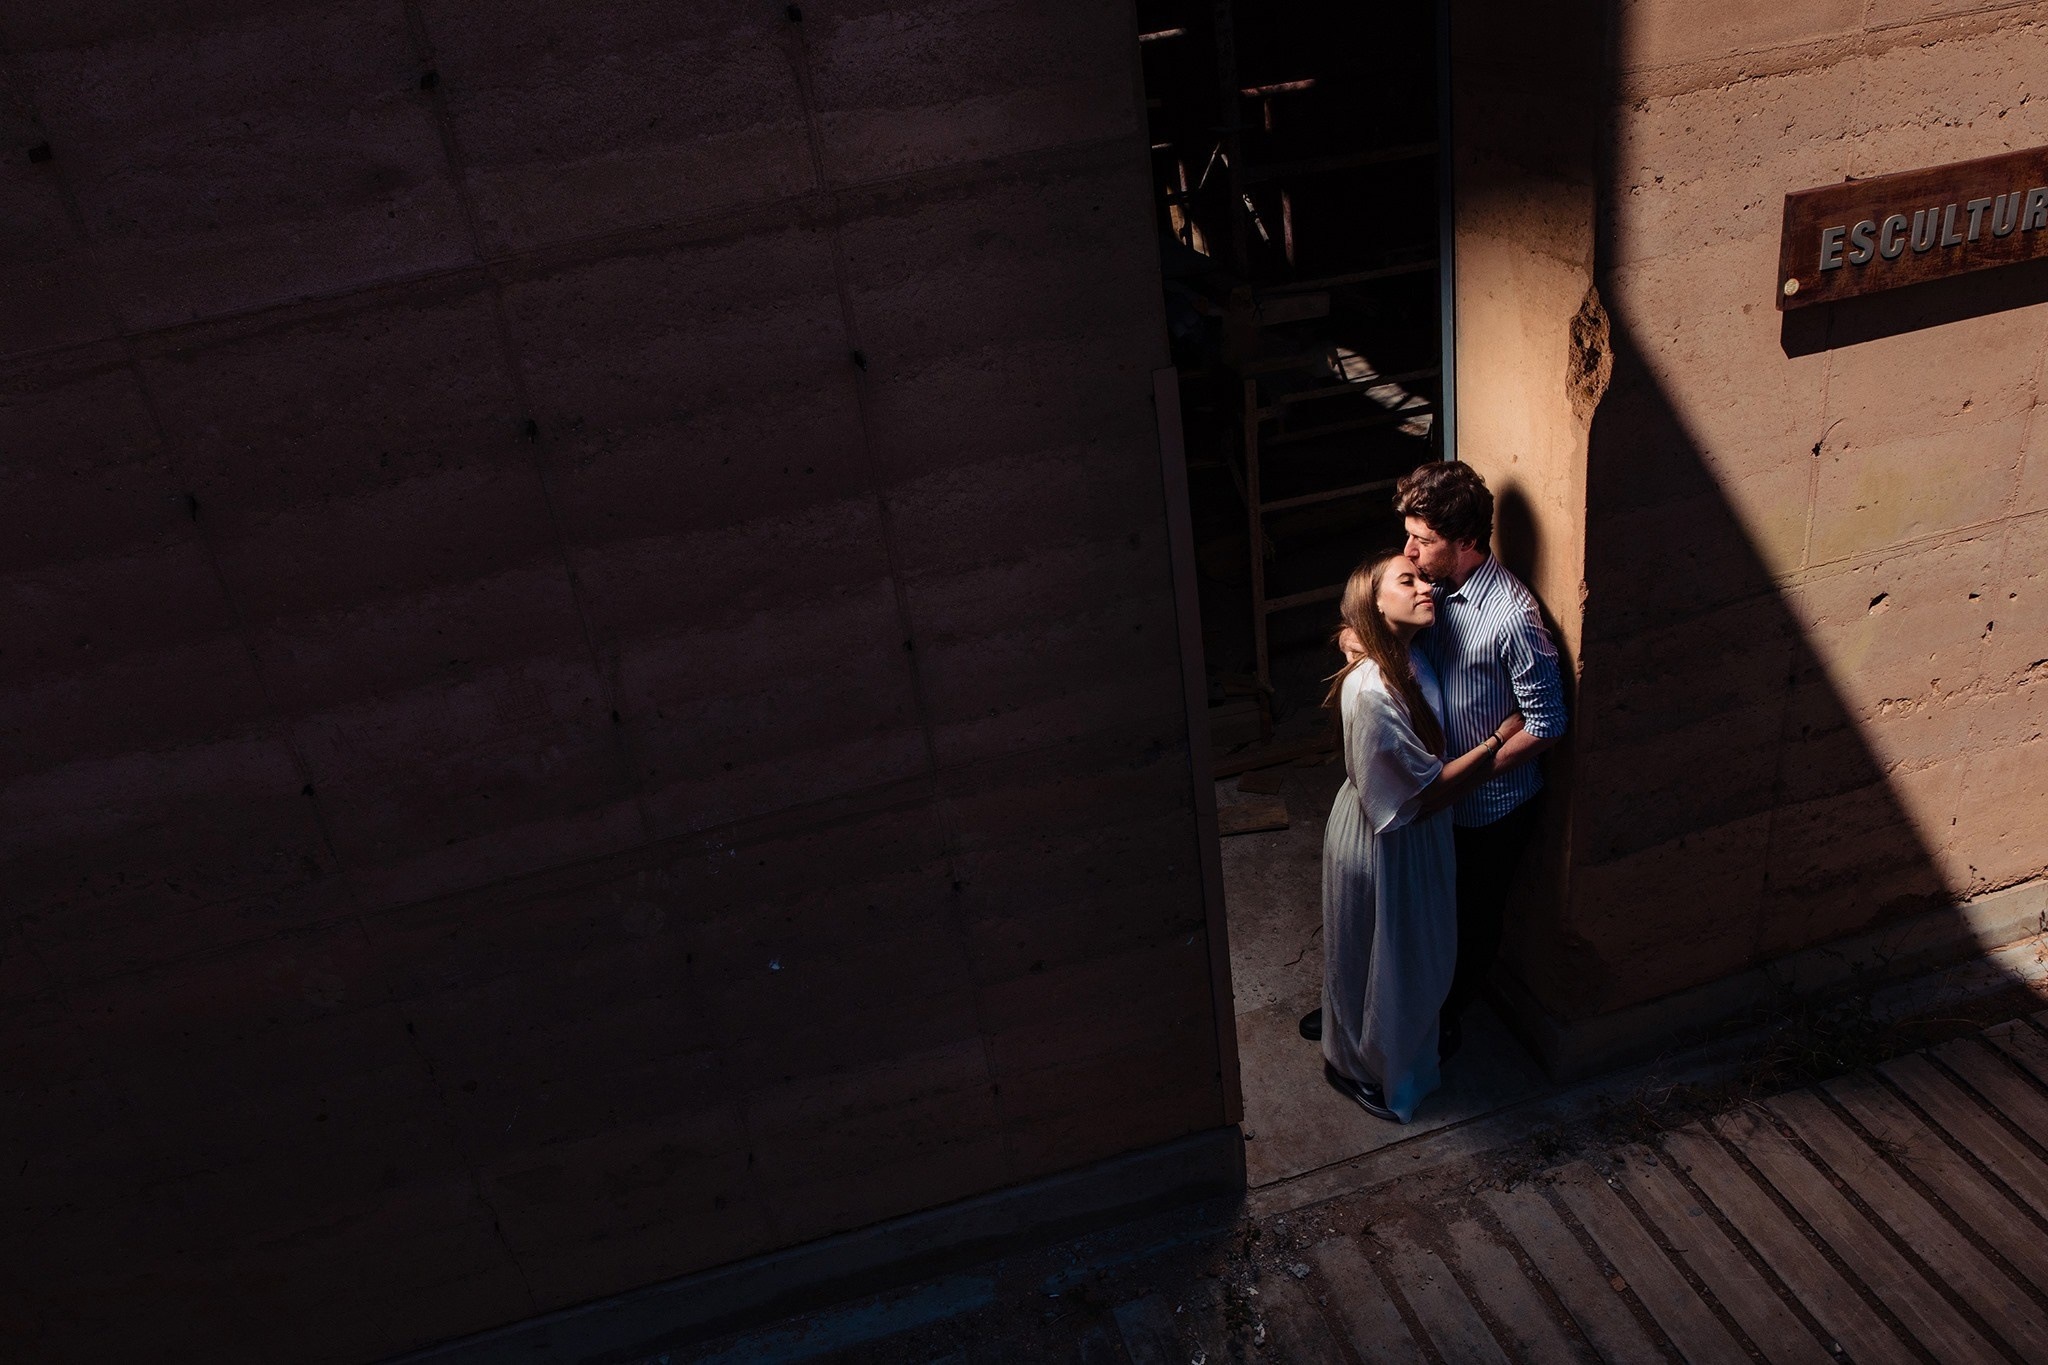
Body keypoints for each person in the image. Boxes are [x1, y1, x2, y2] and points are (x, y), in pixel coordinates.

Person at [1317, 554, 1522, 1122]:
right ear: (1376, 606)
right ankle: (1373, 1073)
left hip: (1398, 828)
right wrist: (1496, 742)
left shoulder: (1400, 652)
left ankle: (1359, 1047)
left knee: (1379, 953)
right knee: (1398, 961)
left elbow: (1352, 625)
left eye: (1423, 575)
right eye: (1407, 581)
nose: (1425, 585)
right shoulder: (1377, 690)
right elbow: (1424, 796)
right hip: (1389, 836)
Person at [1396, 462, 1566, 1061]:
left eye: (1424, 540)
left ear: (1467, 542)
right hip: (1433, 789)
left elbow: (1547, 723)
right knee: (1418, 905)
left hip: (1491, 807)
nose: (1409, 552)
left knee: (1470, 921)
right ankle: (1382, 1010)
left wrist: (1464, 780)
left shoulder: (1513, 617)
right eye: (1410, 535)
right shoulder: (1426, 587)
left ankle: (1443, 1020)